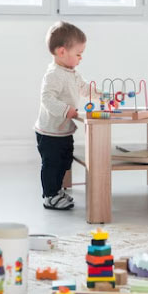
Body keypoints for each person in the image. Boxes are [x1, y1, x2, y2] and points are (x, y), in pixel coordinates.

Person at [34, 22, 93, 211]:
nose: (81, 58)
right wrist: (66, 109)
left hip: (64, 130)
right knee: (52, 164)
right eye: (78, 54)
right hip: (50, 131)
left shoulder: (72, 73)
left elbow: (84, 88)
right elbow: (47, 99)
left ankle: (57, 191)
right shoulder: (53, 75)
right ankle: (50, 196)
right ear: (61, 52)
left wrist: (100, 94)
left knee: (65, 161)